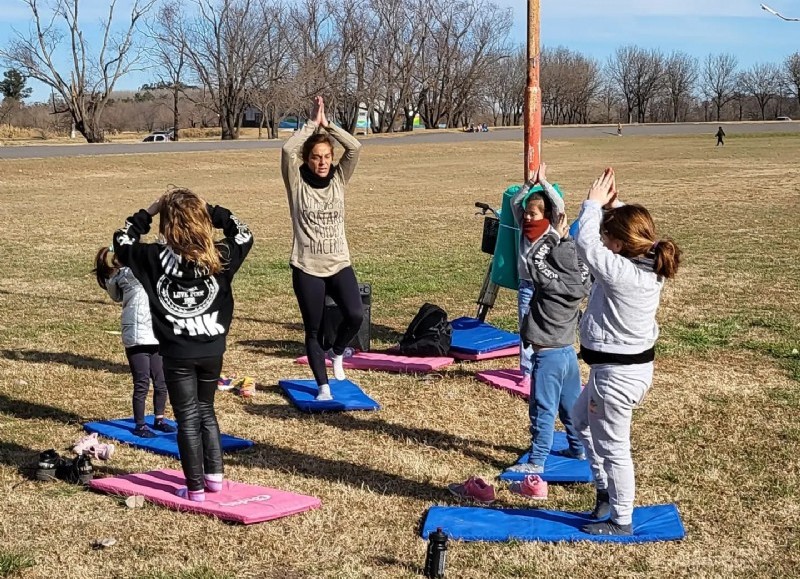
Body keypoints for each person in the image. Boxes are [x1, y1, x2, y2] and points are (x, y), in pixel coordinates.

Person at [112, 188, 253, 502]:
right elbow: (244, 233)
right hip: (212, 349)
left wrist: (147, 213)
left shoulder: (151, 258)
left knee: (187, 417)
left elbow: (121, 241)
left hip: (176, 352)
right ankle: (214, 478)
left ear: (167, 227)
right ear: (203, 221)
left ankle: (196, 488)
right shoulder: (221, 255)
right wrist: (212, 209)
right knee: (206, 411)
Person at [572, 168, 682, 536]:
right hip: (621, 371)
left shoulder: (623, 272)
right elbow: (631, 233)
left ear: (617, 245)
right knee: (578, 420)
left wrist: (591, 203)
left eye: (609, 235)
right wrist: (614, 204)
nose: (603, 240)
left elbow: (585, 243)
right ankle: (604, 490)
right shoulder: (649, 258)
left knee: (614, 448)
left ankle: (620, 519)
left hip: (617, 378)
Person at [507, 164, 590, 485]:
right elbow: (557, 260)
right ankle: (577, 448)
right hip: (567, 354)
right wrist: (566, 238)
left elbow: (534, 260)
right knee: (570, 406)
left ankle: (537, 461)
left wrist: (553, 234)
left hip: (550, 357)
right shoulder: (579, 280)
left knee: (542, 408)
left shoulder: (547, 280)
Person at [282, 96, 364, 401]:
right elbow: (287, 149)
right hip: (307, 266)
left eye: (327, 156)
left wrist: (329, 125)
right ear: (308, 158)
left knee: (354, 315)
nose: (322, 162)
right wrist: (311, 125)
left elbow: (355, 148)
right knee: (313, 329)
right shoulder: (296, 183)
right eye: (316, 156)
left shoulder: (340, 178)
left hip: (339, 261)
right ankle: (323, 386)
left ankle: (338, 352)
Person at [92, 247, 175, 438]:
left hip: (154, 335)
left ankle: (159, 419)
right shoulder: (130, 275)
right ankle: (140, 425)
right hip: (137, 337)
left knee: (161, 381)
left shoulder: (133, 274)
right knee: (142, 382)